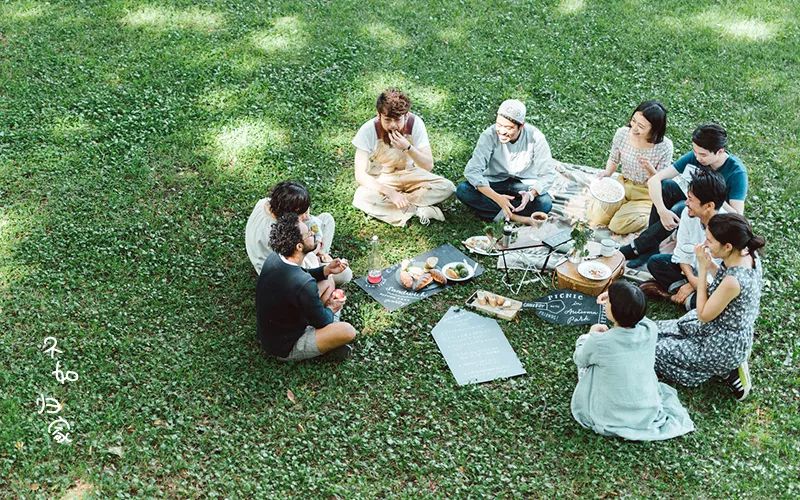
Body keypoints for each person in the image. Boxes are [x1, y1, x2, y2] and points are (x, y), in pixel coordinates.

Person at [655, 213, 764, 401]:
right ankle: (724, 366)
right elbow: (723, 277)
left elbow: (703, 315)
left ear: (728, 246)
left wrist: (703, 268)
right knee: (653, 330)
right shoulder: (746, 252)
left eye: (710, 240)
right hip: (719, 324)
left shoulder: (734, 281)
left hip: (721, 343)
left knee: (654, 352)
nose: (705, 243)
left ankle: (726, 369)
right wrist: (711, 264)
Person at [571, 281, 694, 441]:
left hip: (610, 415)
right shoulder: (650, 329)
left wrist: (591, 335)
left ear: (614, 311)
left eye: (609, 302)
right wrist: (616, 296)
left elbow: (579, 359)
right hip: (645, 411)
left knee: (584, 346)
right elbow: (635, 312)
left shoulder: (600, 342)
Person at [620, 123, 748, 265]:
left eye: (703, 155)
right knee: (666, 187)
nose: (698, 158)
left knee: (681, 209)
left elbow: (737, 216)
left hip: (713, 210)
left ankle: (637, 247)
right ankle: (651, 246)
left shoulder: (736, 172)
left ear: (720, 151)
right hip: (693, 198)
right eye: (695, 152)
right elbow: (655, 180)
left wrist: (713, 194)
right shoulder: (695, 157)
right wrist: (662, 211)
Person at [256, 213, 357, 362]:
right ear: (299, 246)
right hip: (286, 346)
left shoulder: (276, 257)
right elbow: (322, 321)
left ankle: (328, 342)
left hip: (274, 331)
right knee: (348, 331)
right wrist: (331, 307)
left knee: (328, 280)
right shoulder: (304, 284)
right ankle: (329, 346)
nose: (312, 233)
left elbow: (302, 273)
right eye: (308, 233)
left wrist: (326, 270)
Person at [352, 88, 455, 226]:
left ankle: (401, 207)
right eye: (387, 120)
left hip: (410, 173)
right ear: (379, 115)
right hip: (383, 177)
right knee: (360, 197)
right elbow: (360, 175)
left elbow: (428, 165)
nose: (393, 125)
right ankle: (419, 209)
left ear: (406, 116)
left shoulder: (415, 124)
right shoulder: (368, 130)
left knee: (447, 187)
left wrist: (408, 147)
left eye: (397, 120)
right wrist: (390, 193)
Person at [456, 99, 555, 223]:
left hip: (523, 185)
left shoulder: (536, 137)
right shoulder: (489, 135)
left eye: (508, 128)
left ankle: (497, 211)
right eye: (499, 125)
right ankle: (517, 217)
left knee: (544, 203)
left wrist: (531, 194)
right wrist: (497, 198)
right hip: (495, 182)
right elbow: (472, 171)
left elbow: (548, 174)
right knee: (463, 190)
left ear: (521, 126)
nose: (502, 131)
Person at [640, 169, 727, 310]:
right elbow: (681, 251)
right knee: (656, 262)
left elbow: (723, 274)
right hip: (692, 272)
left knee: (718, 297)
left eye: (691, 199)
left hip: (713, 280)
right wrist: (692, 280)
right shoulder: (688, 214)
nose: (686, 203)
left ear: (709, 206)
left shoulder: (727, 229)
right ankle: (690, 299)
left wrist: (694, 285)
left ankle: (676, 296)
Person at [588, 101, 673, 234]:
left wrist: (650, 169)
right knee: (597, 218)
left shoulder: (665, 147)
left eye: (641, 126)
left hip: (647, 192)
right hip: (623, 184)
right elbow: (614, 158)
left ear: (654, 129)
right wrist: (608, 173)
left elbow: (660, 181)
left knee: (617, 225)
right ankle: (623, 207)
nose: (634, 128)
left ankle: (646, 215)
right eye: (633, 121)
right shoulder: (622, 134)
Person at [245, 180, 352, 286]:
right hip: (284, 272)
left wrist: (316, 240)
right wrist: (315, 249)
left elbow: (309, 221)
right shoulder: (278, 233)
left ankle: (323, 256)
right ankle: (322, 260)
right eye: (302, 213)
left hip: (291, 254)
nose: (306, 216)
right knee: (345, 274)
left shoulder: (265, 203)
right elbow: (294, 264)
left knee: (327, 219)